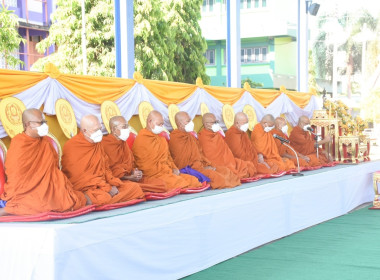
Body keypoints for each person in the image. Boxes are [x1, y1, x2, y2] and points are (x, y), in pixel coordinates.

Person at [0, 109, 87, 216]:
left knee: (67, 199)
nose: (44, 125)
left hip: (48, 185)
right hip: (26, 189)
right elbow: (15, 173)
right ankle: (8, 210)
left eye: (44, 122)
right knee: (38, 204)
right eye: (40, 122)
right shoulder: (19, 143)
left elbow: (53, 168)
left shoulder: (45, 142)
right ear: (28, 124)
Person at [62, 114, 145, 206]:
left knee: (134, 188)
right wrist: (107, 188)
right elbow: (80, 178)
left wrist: (112, 182)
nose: (99, 132)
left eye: (100, 129)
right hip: (87, 187)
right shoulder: (72, 146)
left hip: (103, 185)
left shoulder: (97, 144)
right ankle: (86, 198)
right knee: (103, 198)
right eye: (96, 130)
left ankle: (94, 200)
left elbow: (106, 169)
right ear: (85, 131)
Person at [132, 110, 202, 191]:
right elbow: (144, 167)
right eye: (159, 124)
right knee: (179, 182)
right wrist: (165, 171)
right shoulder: (141, 139)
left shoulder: (161, 139)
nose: (161, 127)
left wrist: (174, 168)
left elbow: (168, 157)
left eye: (162, 124)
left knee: (193, 180)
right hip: (153, 176)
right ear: (150, 122)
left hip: (167, 172)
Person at [169, 111, 241, 189]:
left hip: (200, 166)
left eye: (191, 120)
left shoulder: (191, 137)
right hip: (189, 170)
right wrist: (202, 168)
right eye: (188, 121)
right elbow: (181, 162)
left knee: (225, 171)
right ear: (180, 124)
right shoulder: (175, 138)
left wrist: (207, 164)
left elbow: (200, 154)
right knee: (216, 177)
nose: (191, 123)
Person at [102, 116, 168, 193]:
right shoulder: (105, 145)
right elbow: (108, 173)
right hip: (119, 181)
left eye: (127, 126)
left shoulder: (123, 143)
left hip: (130, 178)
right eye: (124, 127)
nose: (127, 129)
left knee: (161, 184)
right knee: (135, 188)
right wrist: (129, 177)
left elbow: (131, 163)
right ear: (113, 129)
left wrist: (135, 172)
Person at [198, 113, 256, 179]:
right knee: (225, 175)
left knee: (249, 166)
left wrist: (231, 163)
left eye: (217, 122)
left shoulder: (217, 135)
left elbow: (226, 152)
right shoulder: (202, 138)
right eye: (214, 122)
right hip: (216, 166)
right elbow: (207, 158)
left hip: (229, 163)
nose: (217, 124)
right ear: (206, 124)